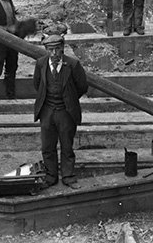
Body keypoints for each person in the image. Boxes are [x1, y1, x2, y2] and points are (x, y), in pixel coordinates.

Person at [33, 33, 89, 190]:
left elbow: (82, 86)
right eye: (50, 50)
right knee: (47, 146)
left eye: (57, 49)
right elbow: (37, 85)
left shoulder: (73, 65)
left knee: (66, 145)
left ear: (62, 49)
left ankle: (68, 176)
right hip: (47, 111)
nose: (53, 53)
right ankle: (50, 176)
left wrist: (69, 99)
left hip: (65, 112)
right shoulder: (41, 64)